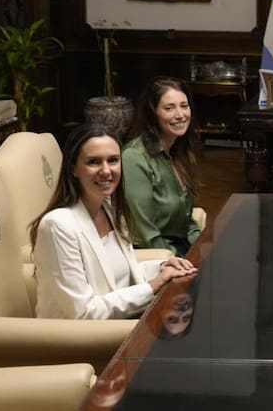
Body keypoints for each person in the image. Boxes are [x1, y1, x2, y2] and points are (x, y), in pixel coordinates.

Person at [31, 123, 197, 320]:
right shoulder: (57, 225)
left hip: (123, 323)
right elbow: (83, 313)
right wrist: (153, 286)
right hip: (83, 342)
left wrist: (160, 268)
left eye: (113, 160)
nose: (106, 170)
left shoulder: (109, 206)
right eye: (93, 162)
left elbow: (117, 276)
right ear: (73, 168)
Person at [123, 76, 202, 256]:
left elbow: (186, 221)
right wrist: (179, 260)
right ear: (153, 113)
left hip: (180, 250)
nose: (180, 115)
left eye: (184, 105)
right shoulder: (133, 158)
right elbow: (145, 234)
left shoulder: (180, 151)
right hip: (156, 257)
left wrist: (204, 247)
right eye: (169, 108)